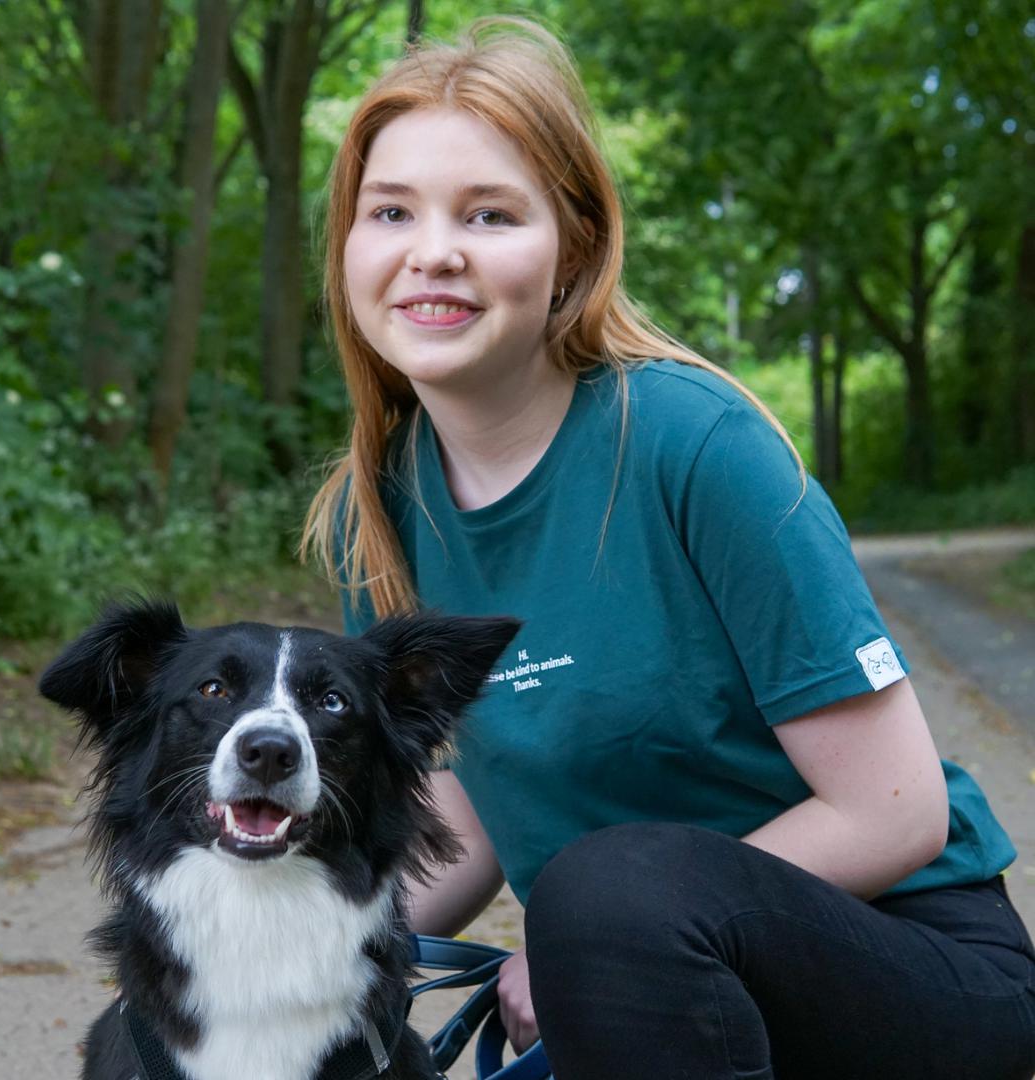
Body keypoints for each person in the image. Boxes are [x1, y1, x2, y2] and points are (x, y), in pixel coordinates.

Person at [302, 17, 1035, 1079]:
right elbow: (472, 797)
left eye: (491, 213)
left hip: (914, 960)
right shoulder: (370, 513)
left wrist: (585, 942)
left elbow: (897, 810)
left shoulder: (696, 444)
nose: (435, 251)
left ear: (574, 249)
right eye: (392, 212)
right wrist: (303, 947)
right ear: (349, 247)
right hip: (653, 986)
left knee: (602, 895)